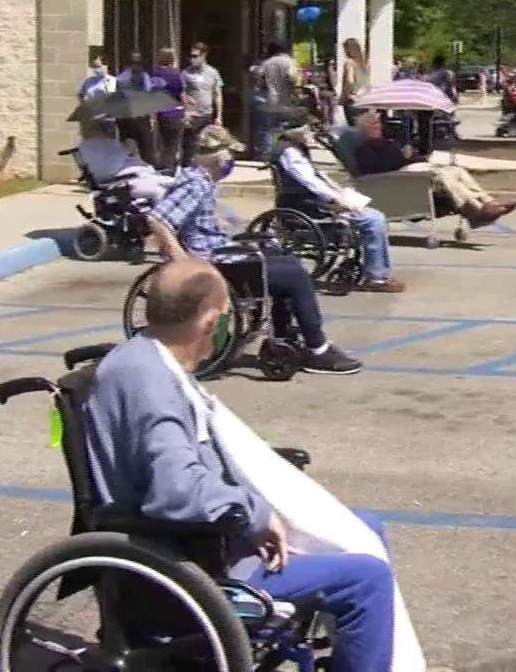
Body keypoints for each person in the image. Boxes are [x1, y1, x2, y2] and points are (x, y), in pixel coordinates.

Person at [84, 258, 413, 672]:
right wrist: (254, 513)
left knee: (365, 527)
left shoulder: (143, 356)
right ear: (210, 322)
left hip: (207, 537)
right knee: (368, 580)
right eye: (225, 318)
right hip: (198, 559)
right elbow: (176, 492)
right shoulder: (151, 384)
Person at [144, 126, 364, 374]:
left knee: (285, 260)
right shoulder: (195, 184)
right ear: (219, 157)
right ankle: (318, 348)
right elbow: (158, 219)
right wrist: (180, 259)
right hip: (212, 263)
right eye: (230, 155)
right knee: (296, 276)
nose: (232, 162)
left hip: (220, 253)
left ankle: (285, 336)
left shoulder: (202, 182)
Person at [272, 126, 404, 293]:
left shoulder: (294, 149)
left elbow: (317, 176)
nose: (310, 135)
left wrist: (339, 191)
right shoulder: (289, 153)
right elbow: (309, 181)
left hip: (313, 201)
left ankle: (377, 271)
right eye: (306, 131)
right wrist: (336, 199)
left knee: (374, 215)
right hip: (308, 205)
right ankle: (376, 277)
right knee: (373, 220)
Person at [352, 114, 516, 227]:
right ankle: (475, 211)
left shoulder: (386, 142)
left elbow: (407, 158)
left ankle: (486, 202)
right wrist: (403, 156)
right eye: (374, 123)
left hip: (409, 169)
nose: (379, 126)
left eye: (378, 122)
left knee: (455, 171)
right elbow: (379, 167)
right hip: (399, 176)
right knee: (443, 177)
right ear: (365, 128)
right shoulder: (363, 149)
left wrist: (413, 155)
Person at [75, 118, 176, 201]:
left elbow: (123, 160)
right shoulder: (96, 146)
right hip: (121, 182)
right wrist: (127, 150)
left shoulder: (94, 145)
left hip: (131, 177)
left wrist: (130, 152)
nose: (110, 130)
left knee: (169, 184)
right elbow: (111, 167)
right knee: (163, 189)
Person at [253, 42, 299, 159]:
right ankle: (282, 152)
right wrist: (294, 90)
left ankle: (267, 154)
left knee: (268, 128)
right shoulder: (289, 61)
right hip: (285, 99)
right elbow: (292, 77)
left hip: (269, 99)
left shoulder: (266, 63)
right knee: (284, 127)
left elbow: (258, 77)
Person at [144, 47, 187, 170]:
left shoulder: (152, 73)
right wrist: (187, 110)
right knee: (172, 143)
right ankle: (168, 168)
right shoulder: (175, 74)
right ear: (172, 60)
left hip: (160, 112)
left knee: (162, 141)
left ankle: (162, 165)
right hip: (175, 112)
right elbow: (181, 95)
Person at [181, 42, 223, 165]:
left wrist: (219, 116)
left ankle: (202, 168)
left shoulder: (213, 73)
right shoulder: (186, 73)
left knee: (205, 144)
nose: (192, 59)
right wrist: (184, 110)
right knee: (189, 145)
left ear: (203, 55)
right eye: (191, 56)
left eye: (195, 56)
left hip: (207, 114)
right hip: (191, 114)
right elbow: (180, 93)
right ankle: (188, 168)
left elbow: (217, 94)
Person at [338, 38, 370, 126]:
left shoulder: (349, 63)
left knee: (354, 127)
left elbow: (349, 81)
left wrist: (345, 96)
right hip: (364, 99)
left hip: (352, 100)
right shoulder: (364, 64)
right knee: (363, 128)